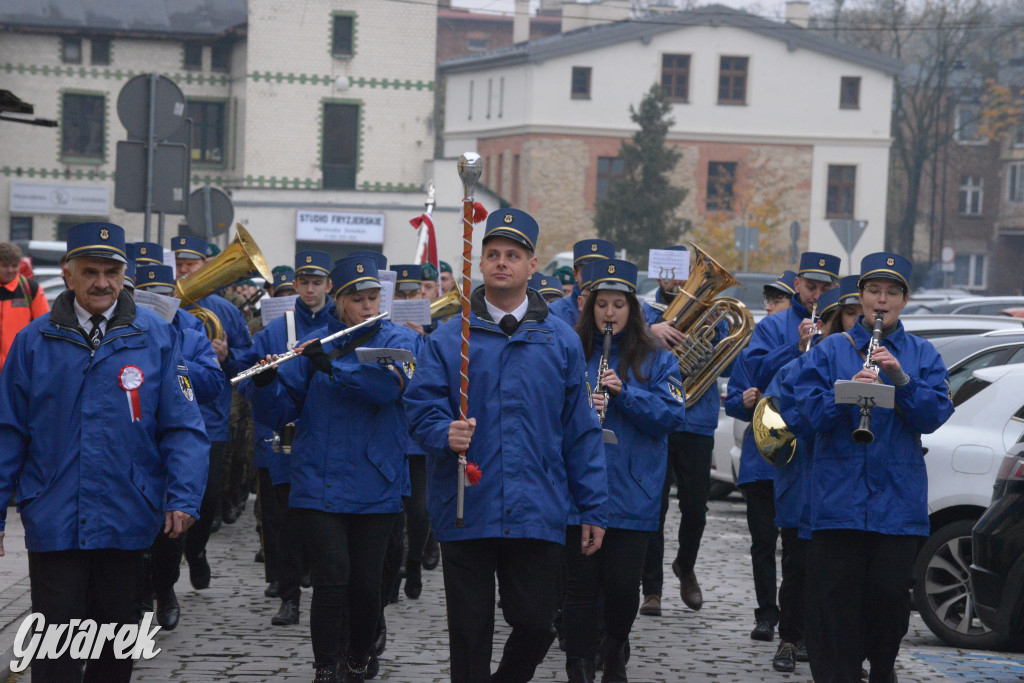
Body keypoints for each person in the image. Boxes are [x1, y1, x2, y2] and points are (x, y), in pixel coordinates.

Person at [404, 208, 608, 683]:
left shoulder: (560, 340)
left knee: (537, 625)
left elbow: (580, 430)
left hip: (537, 505)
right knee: (470, 636)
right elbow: (420, 409)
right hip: (466, 504)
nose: (501, 263)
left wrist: (593, 507)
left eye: (512, 255)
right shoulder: (450, 337)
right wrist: (443, 432)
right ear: (480, 263)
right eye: (492, 254)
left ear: (531, 265)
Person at [0, 222, 209, 682]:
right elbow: (8, 433)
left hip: (126, 514)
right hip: (54, 515)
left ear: (124, 273)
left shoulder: (156, 337)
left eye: (111, 271)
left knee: (114, 648)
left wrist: (183, 495)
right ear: (69, 275)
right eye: (90, 271)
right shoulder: (33, 343)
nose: (101, 283)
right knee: (55, 649)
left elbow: (184, 426)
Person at [786, 253, 953, 683]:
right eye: (874, 292)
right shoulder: (830, 350)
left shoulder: (922, 354)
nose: (882, 301)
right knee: (831, 603)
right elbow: (799, 416)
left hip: (896, 504)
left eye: (891, 293)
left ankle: (881, 668)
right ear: (858, 298)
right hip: (838, 500)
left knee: (888, 602)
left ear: (904, 300)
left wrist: (901, 382)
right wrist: (845, 396)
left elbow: (935, 414)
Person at [250, 254, 417, 682]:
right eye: (357, 299)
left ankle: (359, 659)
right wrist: (265, 383)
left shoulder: (399, 340)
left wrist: (333, 367)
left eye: (372, 297)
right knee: (331, 580)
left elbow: (385, 388)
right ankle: (325, 667)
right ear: (339, 303)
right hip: (317, 481)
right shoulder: (314, 346)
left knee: (366, 587)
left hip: (375, 481)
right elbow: (280, 411)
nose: (366, 306)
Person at [562, 258, 686, 683]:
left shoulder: (657, 358)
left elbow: (672, 416)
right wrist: (581, 408)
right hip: (578, 490)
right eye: (601, 304)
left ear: (633, 310)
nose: (609, 313)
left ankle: (614, 648)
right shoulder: (570, 350)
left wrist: (625, 393)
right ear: (590, 308)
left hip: (632, 491)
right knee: (578, 588)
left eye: (618, 304)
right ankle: (578, 663)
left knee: (619, 588)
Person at [240, 251, 334, 627]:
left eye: (318, 283)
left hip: (325, 438)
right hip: (284, 441)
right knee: (285, 524)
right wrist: (265, 388)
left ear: (329, 286)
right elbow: (247, 377)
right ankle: (289, 597)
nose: (310, 290)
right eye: (304, 283)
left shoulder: (339, 324)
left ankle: (327, 596)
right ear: (295, 285)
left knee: (324, 525)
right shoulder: (275, 329)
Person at [133, 262, 225, 630]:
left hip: (176, 437)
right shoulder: (125, 328)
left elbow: (212, 383)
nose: (159, 302)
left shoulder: (191, 330)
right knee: (139, 524)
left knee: (173, 530)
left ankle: (165, 588)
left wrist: (173, 362)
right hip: (138, 437)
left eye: (166, 294)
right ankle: (140, 595)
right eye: (148, 296)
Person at [638, 245, 726, 619]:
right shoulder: (644, 311)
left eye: (683, 271)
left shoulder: (714, 312)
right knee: (653, 506)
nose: (674, 278)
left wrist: (703, 334)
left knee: (696, 506)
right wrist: (649, 332)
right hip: (657, 419)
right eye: (667, 270)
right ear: (657, 271)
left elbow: (726, 351)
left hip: (696, 419)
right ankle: (652, 590)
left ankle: (685, 565)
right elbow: (628, 347)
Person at [172, 234, 253, 589]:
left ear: (206, 265)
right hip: (170, 419)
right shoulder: (160, 305)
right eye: (179, 263)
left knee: (207, 497)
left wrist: (226, 357)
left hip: (211, 419)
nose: (185, 269)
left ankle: (198, 551)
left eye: (191, 263)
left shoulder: (226, 312)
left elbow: (248, 364)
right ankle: (166, 576)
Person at [0, 241, 49, 373]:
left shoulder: (30, 289)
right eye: (5, 266)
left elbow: (45, 329)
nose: (10, 270)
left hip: (18, 368)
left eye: (14, 266)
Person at [548, 239, 615, 329]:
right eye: (586, 274)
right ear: (575, 274)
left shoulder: (624, 312)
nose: (592, 281)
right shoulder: (556, 313)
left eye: (599, 274)